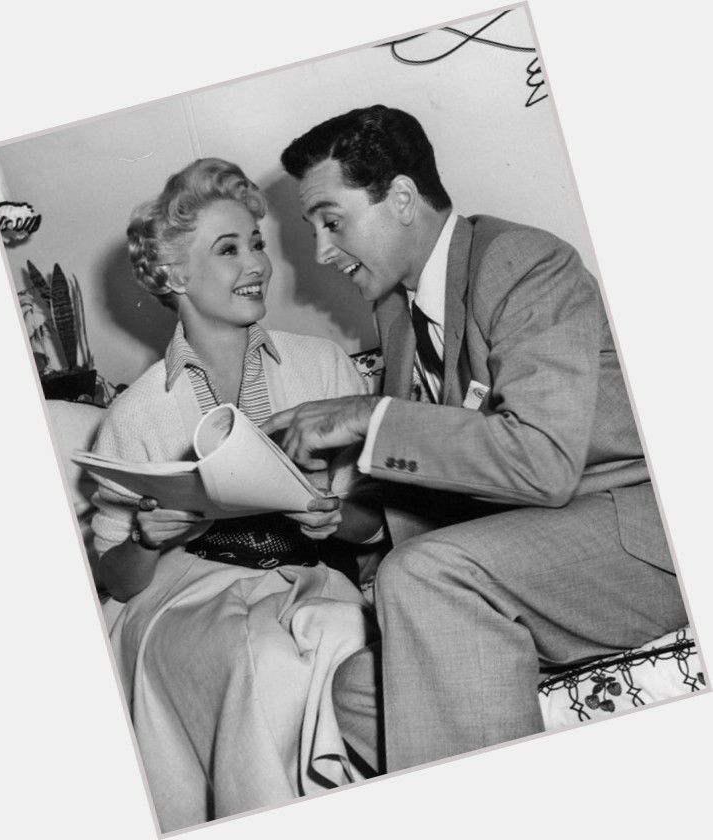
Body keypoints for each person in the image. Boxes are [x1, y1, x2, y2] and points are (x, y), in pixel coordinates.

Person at [263, 105, 688, 774]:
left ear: (403, 198)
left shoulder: (521, 262)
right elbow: (450, 479)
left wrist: (368, 413)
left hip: (647, 541)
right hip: (535, 553)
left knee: (425, 576)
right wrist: (341, 515)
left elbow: (542, 463)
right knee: (355, 692)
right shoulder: (398, 315)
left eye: (332, 221)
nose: (320, 251)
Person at [89, 158, 383, 832]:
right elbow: (119, 580)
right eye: (229, 249)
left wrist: (338, 515)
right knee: (262, 659)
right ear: (174, 275)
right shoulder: (134, 414)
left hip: (306, 577)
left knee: (346, 634)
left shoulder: (324, 366)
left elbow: (375, 524)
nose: (256, 264)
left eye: (256, 242)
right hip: (183, 595)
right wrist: (146, 538)